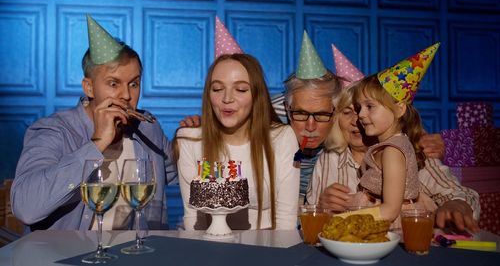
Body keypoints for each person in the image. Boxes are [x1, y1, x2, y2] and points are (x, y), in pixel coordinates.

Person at [11, 15, 177, 231]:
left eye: (134, 84)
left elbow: (177, 177)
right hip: (66, 256)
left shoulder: (148, 128)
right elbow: (26, 208)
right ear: (89, 88)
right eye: (113, 83)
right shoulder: (54, 131)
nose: (126, 95)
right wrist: (97, 143)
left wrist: (187, 139)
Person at [309, 44, 480, 231]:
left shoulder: (411, 152)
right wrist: (322, 205)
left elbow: (462, 194)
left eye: (367, 109)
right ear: (336, 119)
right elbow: (313, 220)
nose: (358, 119)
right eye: (348, 112)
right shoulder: (330, 159)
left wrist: (457, 205)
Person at [175, 53, 299, 230]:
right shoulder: (188, 140)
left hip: (268, 249)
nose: (227, 99)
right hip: (211, 247)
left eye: (240, 89)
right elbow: (194, 219)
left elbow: (286, 220)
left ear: (256, 95)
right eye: (217, 89)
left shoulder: (282, 138)